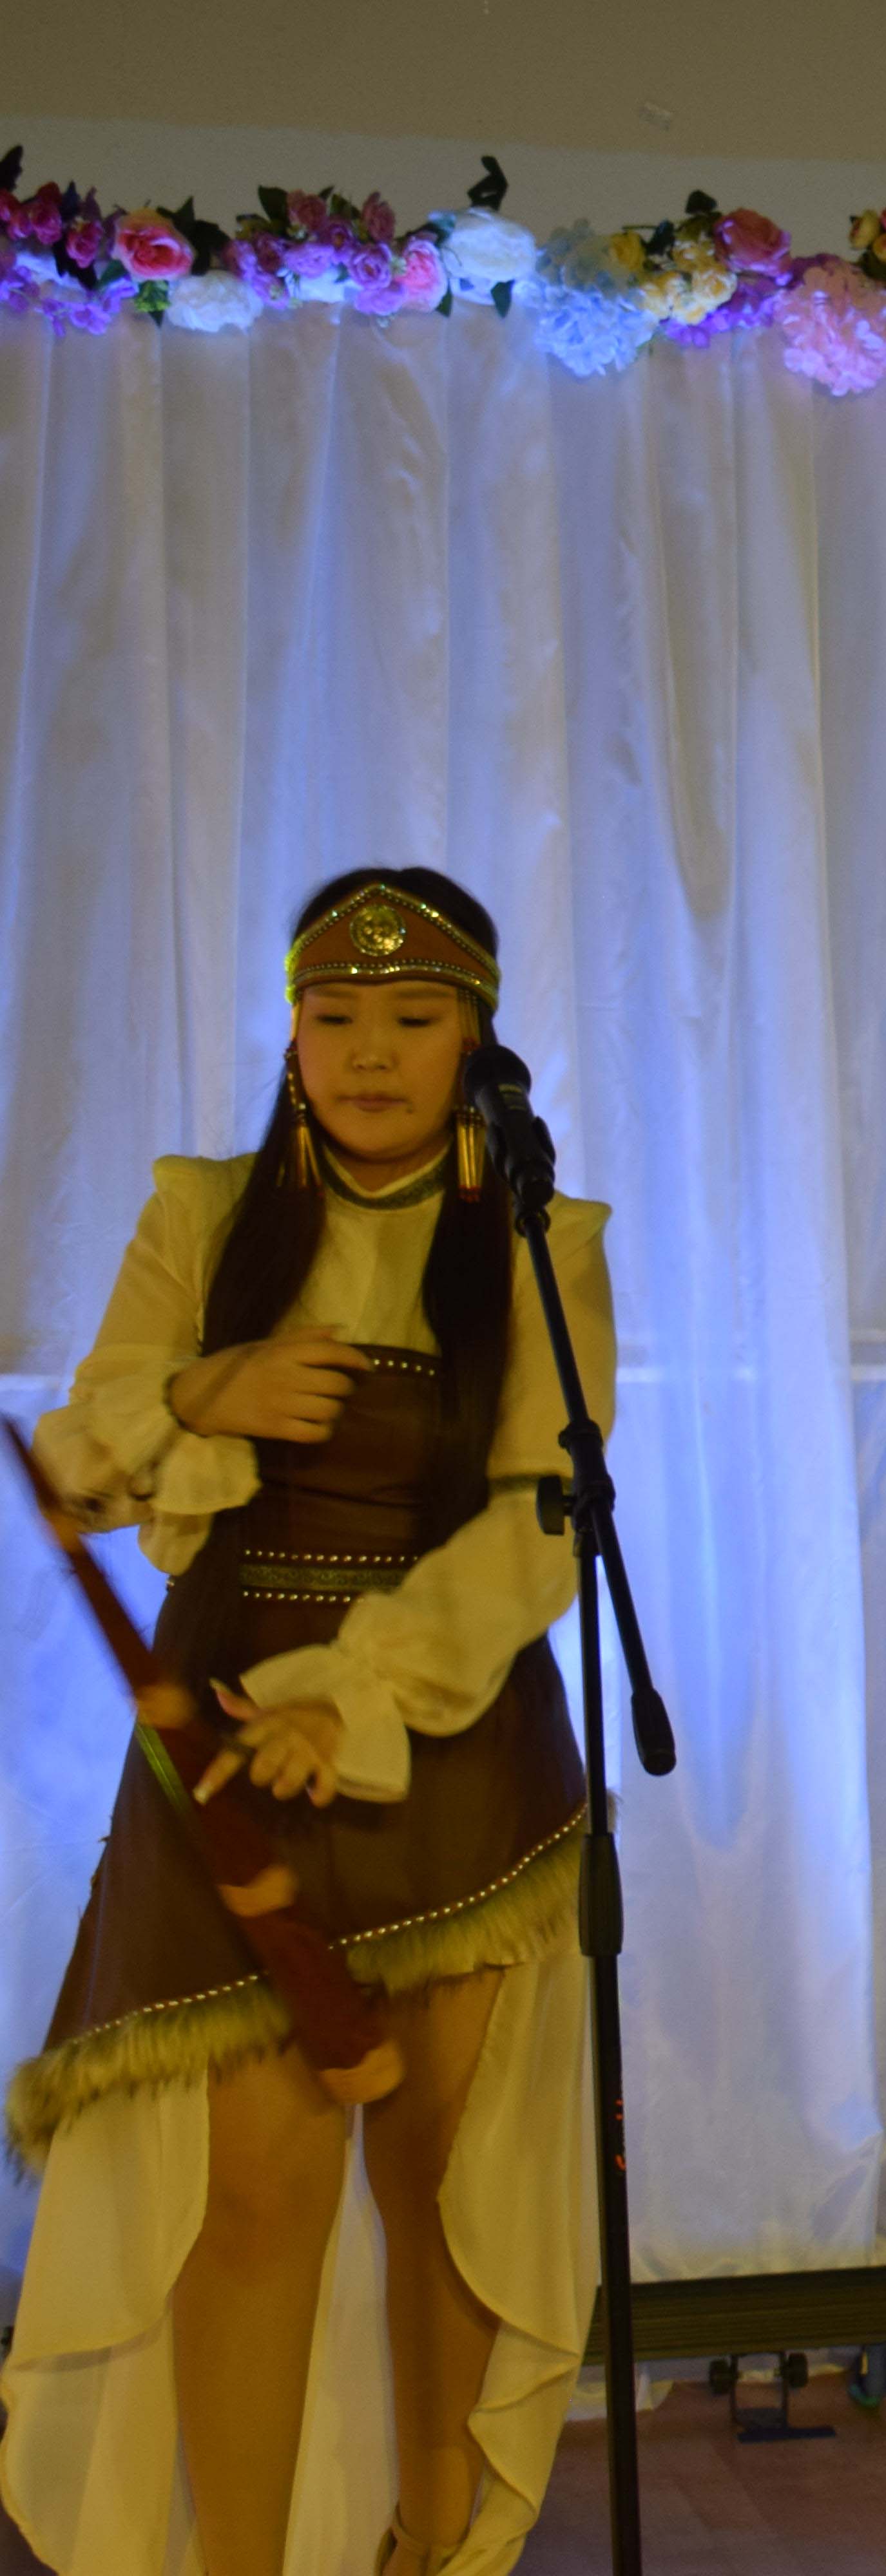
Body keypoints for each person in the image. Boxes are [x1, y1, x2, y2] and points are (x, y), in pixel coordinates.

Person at [5, 873, 606, 2576]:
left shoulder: (542, 1241)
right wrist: (211, 1390)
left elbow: (543, 1521)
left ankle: (435, 2552)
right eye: (336, 1018)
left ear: (477, 1035)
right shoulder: (205, 1214)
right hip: (221, 1753)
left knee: (439, 2199)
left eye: (415, 1020)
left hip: (452, 1751)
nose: (371, 1053)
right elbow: (76, 1467)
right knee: (251, 2202)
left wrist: (359, 1697)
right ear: (292, 1030)